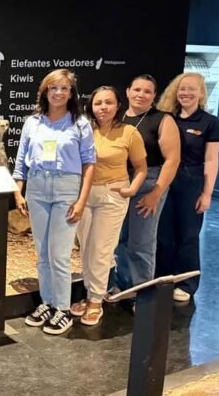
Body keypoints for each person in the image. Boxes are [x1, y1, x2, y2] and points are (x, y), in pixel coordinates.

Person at [13, 68, 96, 335]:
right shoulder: (33, 122)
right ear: (45, 91)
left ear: (71, 93)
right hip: (37, 186)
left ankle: (62, 308)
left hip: (66, 188)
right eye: (53, 88)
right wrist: (18, 190)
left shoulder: (80, 123)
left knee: (59, 254)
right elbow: (20, 159)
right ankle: (47, 303)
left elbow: (89, 163)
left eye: (64, 88)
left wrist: (82, 200)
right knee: (42, 253)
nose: (58, 93)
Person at [72, 86, 147, 325]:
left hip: (112, 195)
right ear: (91, 107)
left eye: (108, 103)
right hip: (85, 194)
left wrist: (131, 190)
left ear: (117, 106)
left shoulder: (129, 133)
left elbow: (141, 168)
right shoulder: (85, 130)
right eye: (98, 103)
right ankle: (89, 293)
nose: (103, 107)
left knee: (101, 249)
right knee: (85, 247)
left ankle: (96, 300)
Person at [155, 73, 219, 302]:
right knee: (163, 234)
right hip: (165, 181)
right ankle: (162, 278)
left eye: (192, 89)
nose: (186, 93)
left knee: (188, 234)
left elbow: (212, 159)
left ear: (201, 93)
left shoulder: (210, 123)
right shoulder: (167, 118)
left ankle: (186, 282)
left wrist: (207, 193)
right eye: (182, 89)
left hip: (191, 182)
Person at [112, 75, 180, 294]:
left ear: (154, 96)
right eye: (137, 90)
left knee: (141, 242)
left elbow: (172, 159)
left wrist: (156, 193)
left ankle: (142, 294)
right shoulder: (116, 117)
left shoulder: (162, 119)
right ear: (128, 92)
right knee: (117, 239)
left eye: (147, 91)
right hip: (118, 181)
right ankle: (122, 288)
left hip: (149, 183)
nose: (141, 95)